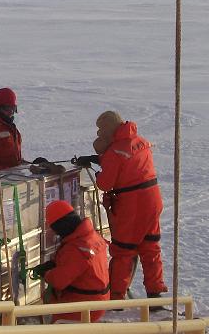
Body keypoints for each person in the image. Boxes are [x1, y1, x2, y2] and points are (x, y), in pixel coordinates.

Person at [76, 110, 167, 301]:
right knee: (150, 247)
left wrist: (101, 170)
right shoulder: (138, 141)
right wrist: (100, 159)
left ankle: (116, 296)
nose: (99, 134)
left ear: (108, 129)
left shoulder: (115, 151)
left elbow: (105, 184)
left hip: (132, 205)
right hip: (153, 200)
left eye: (101, 130)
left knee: (124, 250)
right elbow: (129, 162)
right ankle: (155, 293)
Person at [33, 200, 110, 323]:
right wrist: (54, 264)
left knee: (48, 299)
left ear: (62, 226)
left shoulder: (77, 248)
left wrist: (47, 273)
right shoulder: (90, 236)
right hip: (98, 300)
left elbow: (59, 281)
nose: (56, 234)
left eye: (56, 230)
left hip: (84, 305)